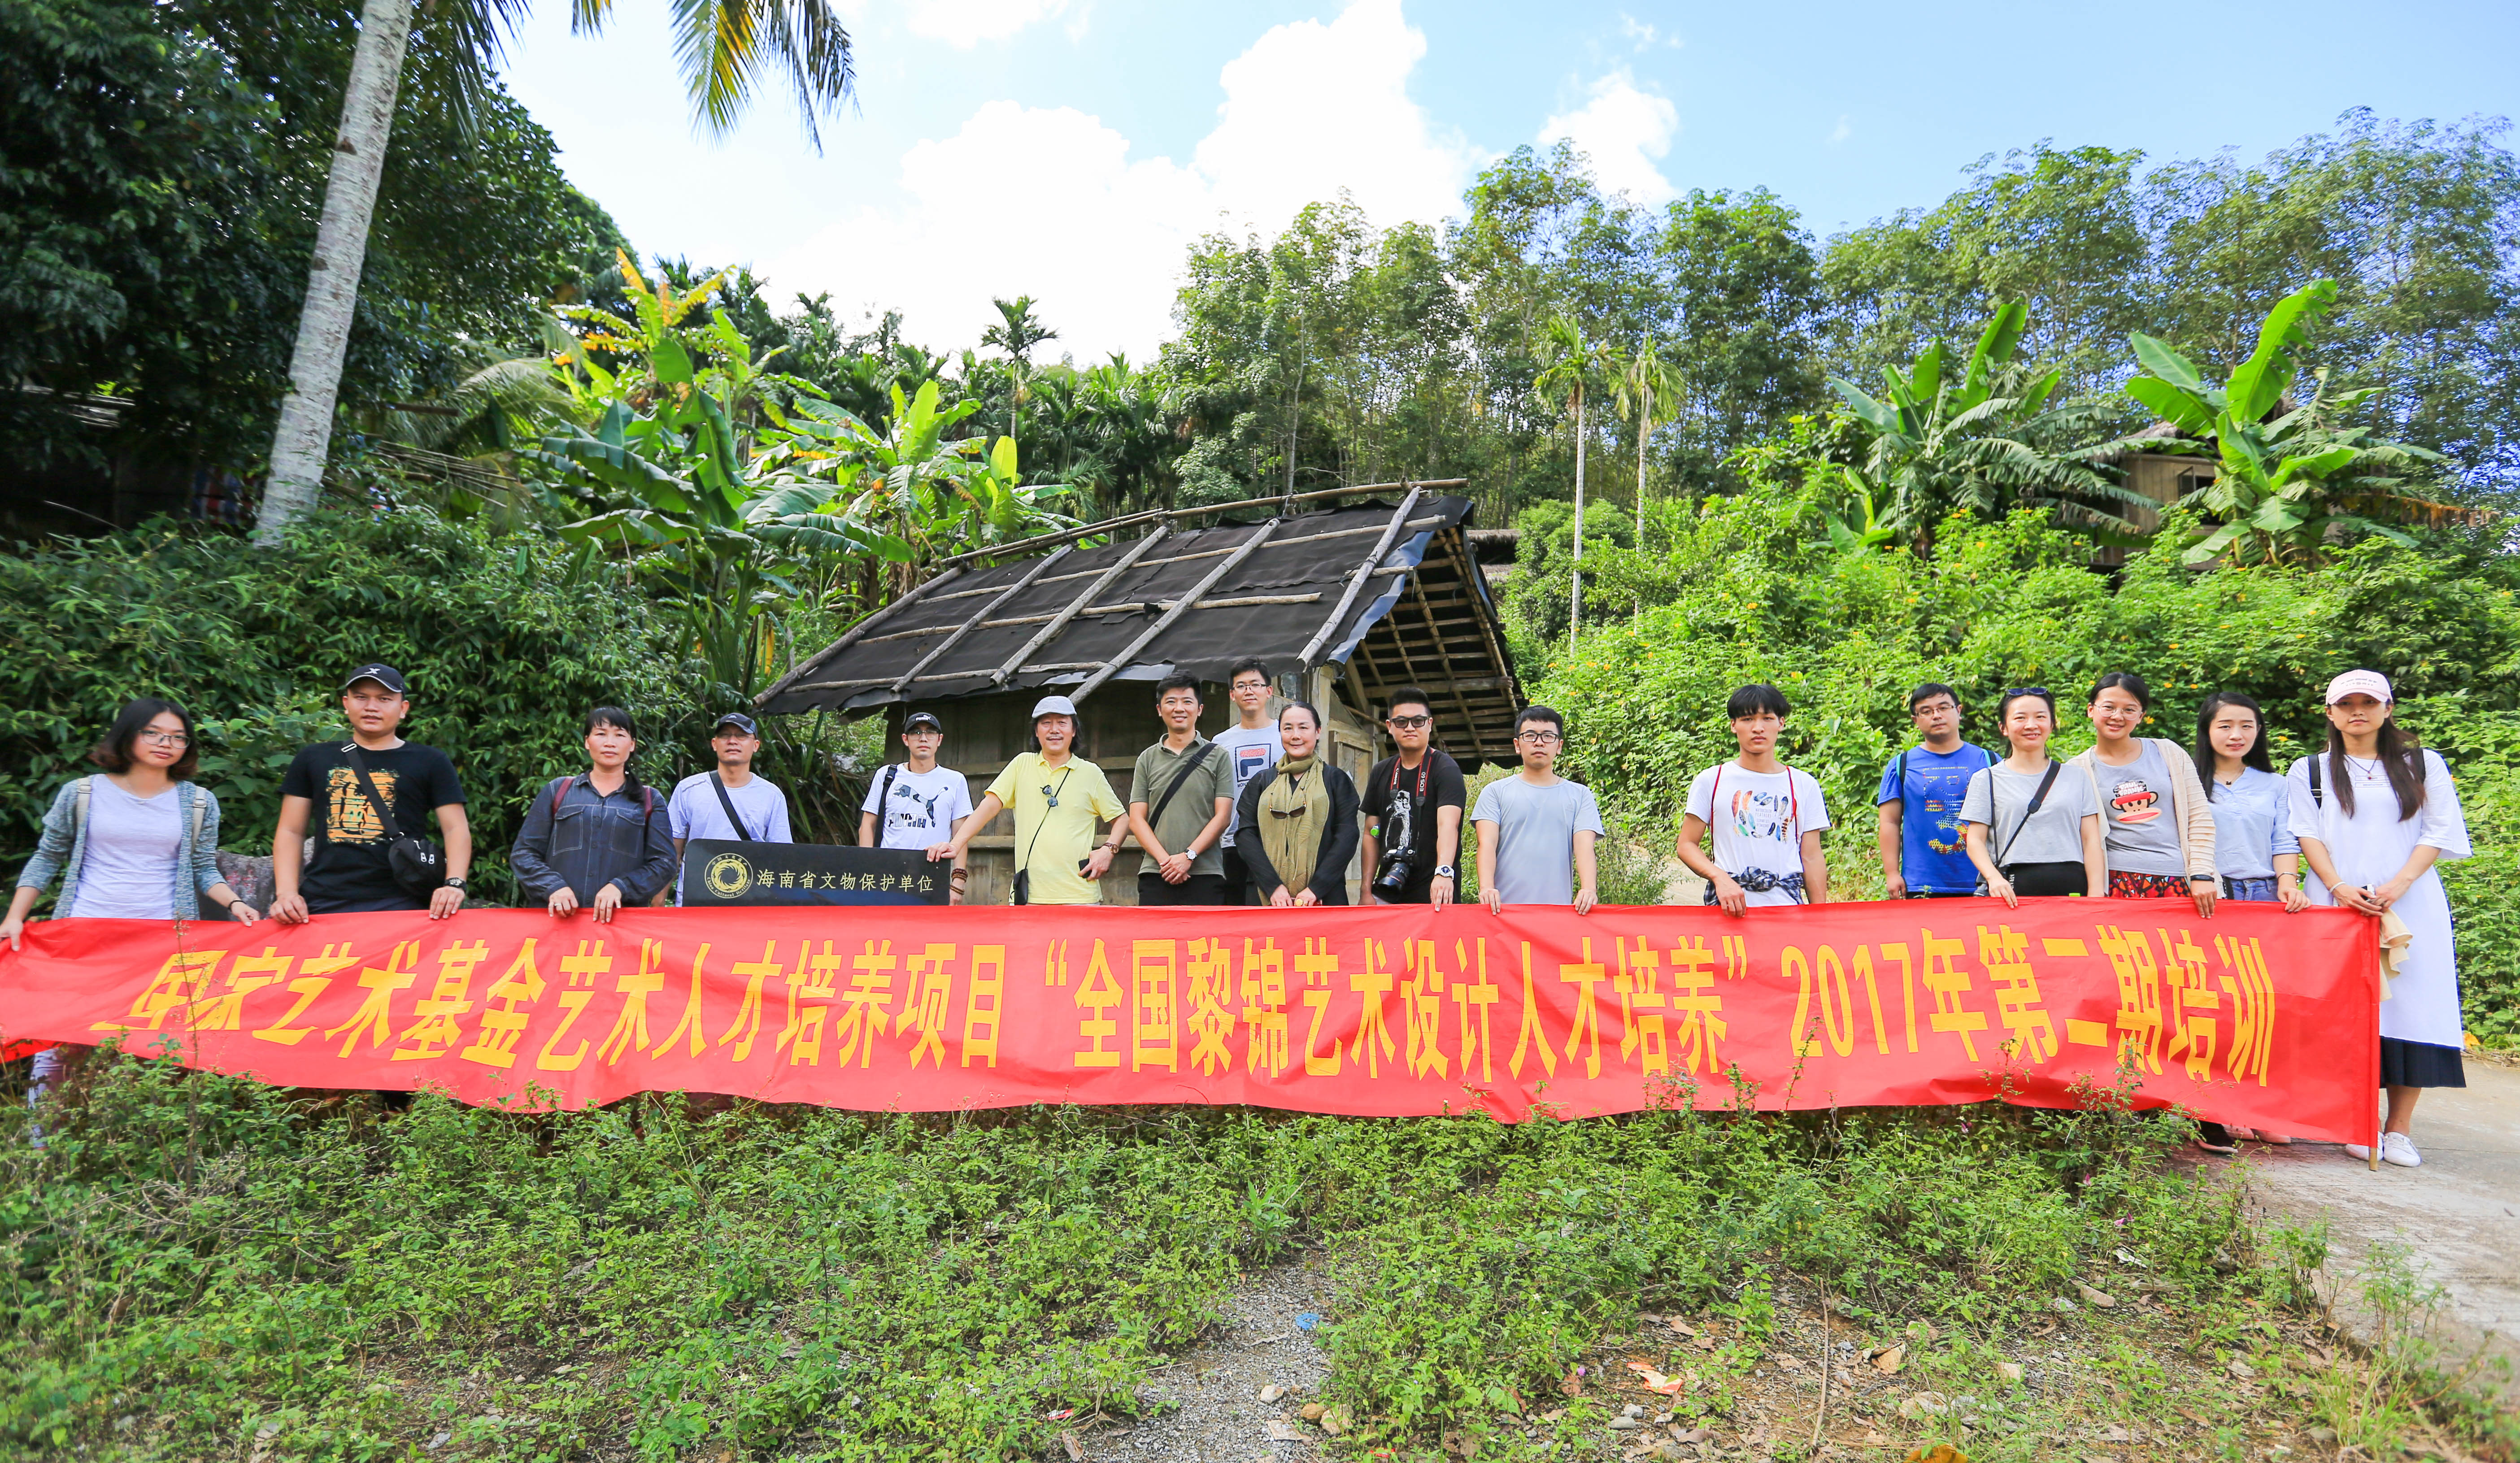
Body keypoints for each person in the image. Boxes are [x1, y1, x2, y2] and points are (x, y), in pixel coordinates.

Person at [6, 699, 259, 1127]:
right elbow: (47, 857)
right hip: (83, 933)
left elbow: (201, 867)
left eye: (179, 737)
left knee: (150, 1040)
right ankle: (42, 1143)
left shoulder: (198, 802)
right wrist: (16, 916)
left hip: (159, 939)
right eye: (155, 733)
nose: (167, 744)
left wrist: (234, 902)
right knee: (62, 1039)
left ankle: (127, 1138)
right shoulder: (83, 792)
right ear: (129, 735)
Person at [2288, 670, 2472, 1169]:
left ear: (2388, 708)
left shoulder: (2423, 763)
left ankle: (2400, 1129)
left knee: (2414, 1007)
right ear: (2329, 713)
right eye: (2345, 703)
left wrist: (2399, 885)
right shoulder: (2311, 769)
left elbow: (2438, 829)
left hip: (2410, 903)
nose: (2357, 711)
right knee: (2346, 1012)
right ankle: (2358, 1119)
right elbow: (2307, 833)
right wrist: (2339, 887)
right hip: (2336, 903)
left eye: (2368, 702)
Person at [2188, 690, 2311, 1153]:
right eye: (2225, 725)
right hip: (2209, 898)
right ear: (2207, 731)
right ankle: (2218, 1108)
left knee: (2264, 1008)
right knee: (2214, 1008)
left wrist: (2287, 880)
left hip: (2263, 897)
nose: (2236, 734)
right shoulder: (2190, 783)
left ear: (2259, 731)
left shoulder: (2275, 784)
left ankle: (2264, 1109)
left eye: (2246, 725)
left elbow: (2284, 836)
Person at [271, 664, 470, 922]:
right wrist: (286, 893)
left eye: (385, 699)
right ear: (346, 703)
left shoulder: (430, 761)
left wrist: (454, 884)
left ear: (403, 709)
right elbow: (291, 831)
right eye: (361, 697)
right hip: (322, 901)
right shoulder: (313, 758)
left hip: (404, 901)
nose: (371, 707)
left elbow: (455, 828)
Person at [927, 695, 1126, 905]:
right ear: (1036, 731)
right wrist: (956, 845)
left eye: (1062, 722)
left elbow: (1121, 820)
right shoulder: (1022, 764)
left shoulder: (1090, 773)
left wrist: (1108, 850)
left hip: (1080, 896)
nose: (1054, 730)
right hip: (1028, 896)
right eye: (1046, 723)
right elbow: (988, 807)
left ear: (1074, 730)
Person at [2067, 671, 2216, 916]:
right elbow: (2084, 838)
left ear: (2141, 716)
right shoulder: (2077, 769)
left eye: (2129, 709)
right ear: (2091, 710)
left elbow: (2199, 818)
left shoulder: (2168, 752)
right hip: (2115, 883)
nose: (2118, 716)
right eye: (2109, 707)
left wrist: (2202, 874)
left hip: (2181, 881)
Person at [510, 708, 678, 923]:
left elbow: (664, 863)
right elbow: (524, 853)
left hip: (621, 924)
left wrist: (621, 887)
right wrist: (553, 887)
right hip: (556, 922)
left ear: (632, 744)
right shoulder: (559, 790)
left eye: (619, 735)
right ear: (587, 742)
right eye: (601, 734)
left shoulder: (649, 799)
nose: (610, 742)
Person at [1676, 684, 1830, 914]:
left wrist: (1820, 917)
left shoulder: (1803, 784)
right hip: (1730, 910)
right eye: (1748, 719)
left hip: (1788, 910)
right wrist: (1720, 879)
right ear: (1733, 725)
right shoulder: (1712, 780)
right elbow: (1686, 844)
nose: (1758, 728)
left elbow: (1811, 856)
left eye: (1767, 718)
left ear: (1781, 724)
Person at [1959, 687, 2107, 904]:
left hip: (2072, 889)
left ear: (2052, 724)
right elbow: (1974, 840)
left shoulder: (2076, 777)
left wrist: (2096, 894)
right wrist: (1993, 879)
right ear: (2004, 728)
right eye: (2020, 718)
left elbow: (2091, 841)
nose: (2031, 725)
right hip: (2011, 892)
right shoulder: (1987, 779)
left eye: (2040, 717)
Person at [1472, 705, 1602, 913]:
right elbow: (1486, 843)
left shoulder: (1580, 795)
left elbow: (1585, 846)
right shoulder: (1495, 792)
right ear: (1517, 744)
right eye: (1530, 735)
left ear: (1559, 746)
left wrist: (1589, 889)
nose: (1539, 742)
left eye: (1548, 736)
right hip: (1503, 912)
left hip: (1558, 914)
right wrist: (1486, 888)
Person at [1876, 683, 1997, 898]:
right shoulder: (1901, 765)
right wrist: (1892, 873)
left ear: (1958, 711)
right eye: (1926, 711)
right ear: (1915, 720)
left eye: (1944, 708)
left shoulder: (1989, 761)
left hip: (1984, 880)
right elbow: (1889, 822)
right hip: (1922, 883)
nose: (1936, 716)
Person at [1233, 702, 1361, 907]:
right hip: (1264, 894)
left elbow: (1347, 836)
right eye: (1288, 728)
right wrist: (1273, 887)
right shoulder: (1261, 782)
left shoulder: (1336, 780)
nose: (1295, 735)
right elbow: (1246, 835)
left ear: (1318, 732)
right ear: (1280, 733)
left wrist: (1316, 889)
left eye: (1303, 727)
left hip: (1323, 896)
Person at [1127, 675, 1234, 906]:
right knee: (1155, 942)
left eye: (1187, 701)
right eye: (1171, 702)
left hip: (1206, 872)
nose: (1179, 709)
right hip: (1156, 872)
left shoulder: (1218, 756)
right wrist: (1167, 862)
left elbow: (1223, 816)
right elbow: (1136, 819)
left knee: (1205, 942)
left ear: (1200, 709)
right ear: (1159, 709)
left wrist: (1189, 856)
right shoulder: (1147, 758)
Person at [1360, 687, 1467, 906]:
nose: (1410, 728)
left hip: (1435, 888)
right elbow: (1372, 832)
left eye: (1418, 721)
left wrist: (1444, 873)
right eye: (1401, 722)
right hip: (1389, 887)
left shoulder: (1445, 769)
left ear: (1429, 724)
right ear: (1390, 727)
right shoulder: (1381, 771)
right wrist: (1366, 890)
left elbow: (1448, 824)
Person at [858, 711, 974, 903]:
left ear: (939, 740)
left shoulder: (955, 780)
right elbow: (867, 826)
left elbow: (960, 835)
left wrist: (958, 882)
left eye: (930, 733)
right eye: (916, 733)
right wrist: (868, 871)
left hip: (932, 874)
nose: (924, 738)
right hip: (886, 875)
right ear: (906, 739)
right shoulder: (886, 776)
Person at [669, 712, 794, 866]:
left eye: (742, 736)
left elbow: (782, 856)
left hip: (752, 889)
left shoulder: (772, 796)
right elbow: (670, 855)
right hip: (695, 889)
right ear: (715, 744)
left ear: (756, 745)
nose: (732, 741)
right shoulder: (688, 790)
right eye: (725, 736)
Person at [1213, 658, 1284, 906]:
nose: (1249, 691)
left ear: (1269, 691)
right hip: (1232, 840)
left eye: (1255, 684)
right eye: (1241, 686)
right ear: (1233, 695)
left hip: (1277, 841)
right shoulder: (1220, 742)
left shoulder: (1285, 735)